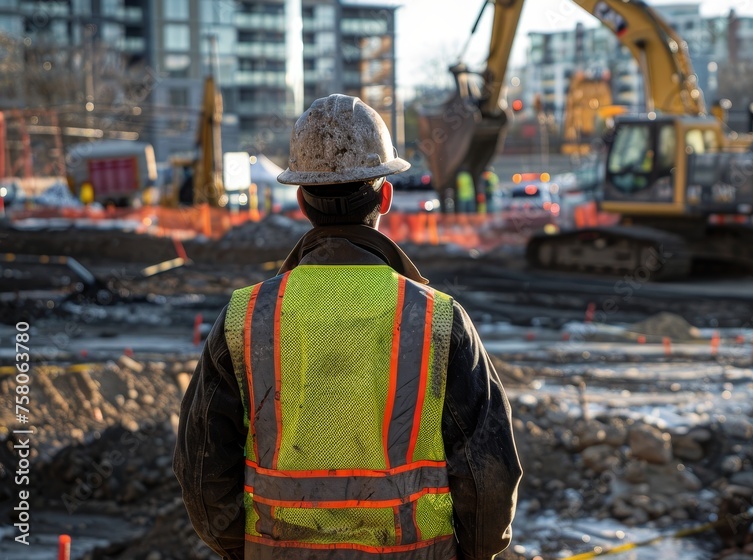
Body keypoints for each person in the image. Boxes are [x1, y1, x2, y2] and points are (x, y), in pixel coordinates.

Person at [174, 94, 522, 560]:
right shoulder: (439, 320)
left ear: (301, 199)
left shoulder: (245, 318)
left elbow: (202, 473)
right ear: (386, 195)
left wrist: (254, 551)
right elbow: (489, 475)